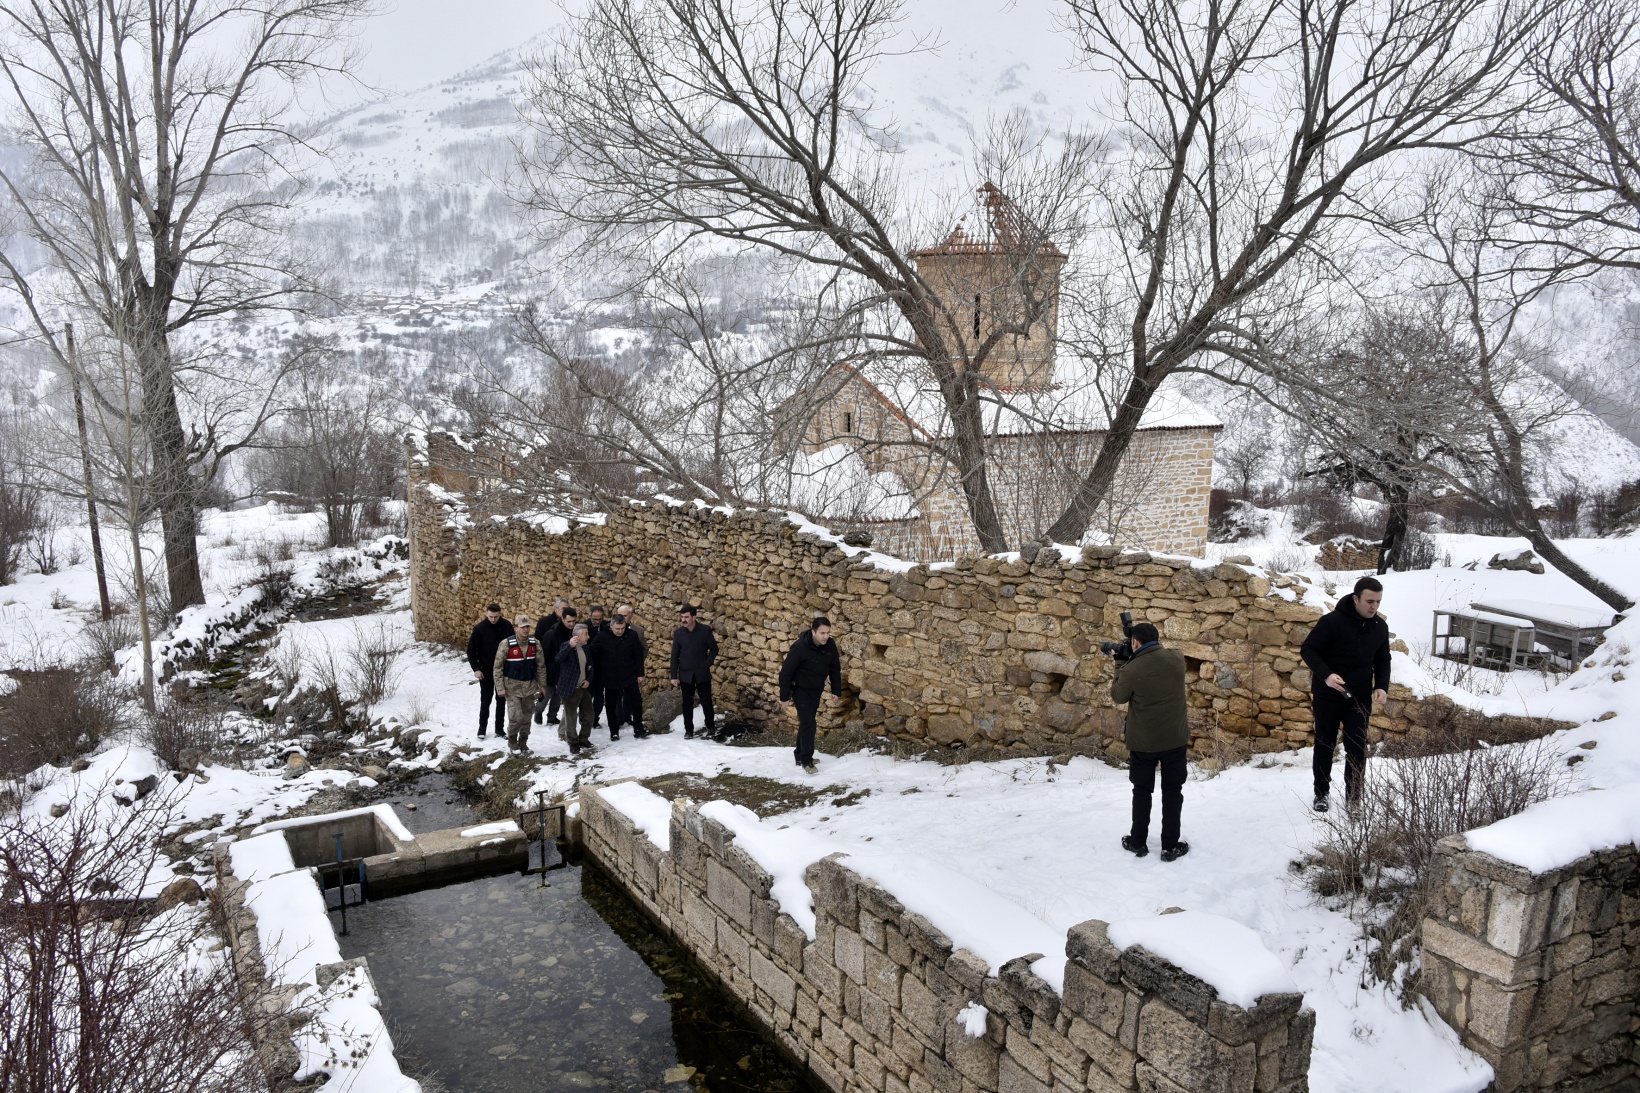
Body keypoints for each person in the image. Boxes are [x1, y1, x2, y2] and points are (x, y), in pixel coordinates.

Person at [1300, 575, 1390, 814]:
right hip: (1328, 696)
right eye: (1370, 601)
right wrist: (1326, 675)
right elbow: (1308, 649)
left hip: (1359, 699)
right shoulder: (1332, 622)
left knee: (1357, 750)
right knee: (1325, 745)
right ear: (1356, 599)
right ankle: (1321, 794)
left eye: (1378, 601)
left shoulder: (1380, 627)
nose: (1374, 606)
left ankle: (1354, 799)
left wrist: (1381, 685)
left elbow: (1383, 659)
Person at [1111, 622, 1191, 862]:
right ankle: (1170, 846)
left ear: (1135, 643)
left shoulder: (1132, 669)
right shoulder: (1177, 659)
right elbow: (1160, 653)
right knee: (1173, 791)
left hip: (1143, 742)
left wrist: (1119, 662)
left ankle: (1138, 843)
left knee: (1142, 791)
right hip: (1174, 739)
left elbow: (1118, 696)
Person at [779, 617, 843, 774]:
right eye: (822, 633)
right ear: (813, 632)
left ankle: (799, 755)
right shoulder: (800, 647)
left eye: (828, 633)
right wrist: (784, 696)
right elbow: (786, 672)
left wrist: (836, 690)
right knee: (809, 723)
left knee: (806, 723)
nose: (825, 636)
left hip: (816, 689)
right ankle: (806, 761)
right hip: (800, 690)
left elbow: (835, 668)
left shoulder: (830, 645)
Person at [492, 616, 545, 754]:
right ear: (516, 628)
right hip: (512, 687)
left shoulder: (535, 644)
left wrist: (542, 685)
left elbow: (541, 666)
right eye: (523, 627)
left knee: (527, 718)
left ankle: (523, 743)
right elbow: (497, 667)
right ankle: (512, 742)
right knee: (516, 717)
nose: (526, 629)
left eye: (527, 626)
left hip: (530, 687)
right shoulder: (506, 644)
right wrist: (500, 687)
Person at [669, 605, 718, 739]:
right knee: (687, 703)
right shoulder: (679, 633)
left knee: (706, 701)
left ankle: (711, 727)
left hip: (702, 672)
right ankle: (688, 730)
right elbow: (674, 655)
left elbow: (714, 649)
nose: (683, 619)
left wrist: (707, 664)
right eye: (682, 617)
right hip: (685, 673)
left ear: (694, 617)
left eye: (686, 617)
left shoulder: (705, 630)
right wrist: (674, 675)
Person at [599, 614, 649, 740]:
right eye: (617, 629)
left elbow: (638, 655)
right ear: (611, 626)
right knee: (611, 705)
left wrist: (640, 673)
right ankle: (614, 731)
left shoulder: (631, 635)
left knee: (636, 701)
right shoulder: (603, 636)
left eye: (622, 628)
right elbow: (593, 652)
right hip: (610, 677)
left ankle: (638, 728)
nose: (620, 631)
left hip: (629, 675)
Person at [466, 603, 512, 740]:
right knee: (485, 700)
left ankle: (499, 729)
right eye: (490, 616)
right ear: (486, 613)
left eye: (496, 617)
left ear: (500, 614)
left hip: (503, 671)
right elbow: (471, 650)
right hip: (485, 670)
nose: (493, 619)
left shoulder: (507, 626)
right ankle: (482, 729)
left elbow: (512, 646)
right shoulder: (480, 628)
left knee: (501, 700)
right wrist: (476, 669)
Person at [555, 622, 597, 754]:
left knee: (589, 714)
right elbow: (558, 659)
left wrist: (588, 680)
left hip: (583, 688)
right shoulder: (566, 646)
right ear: (578, 636)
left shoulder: (586, 649)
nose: (588, 637)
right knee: (571, 718)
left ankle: (584, 738)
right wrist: (569, 646)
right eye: (586, 634)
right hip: (570, 689)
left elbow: (590, 667)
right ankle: (572, 742)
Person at [539, 606, 577, 726]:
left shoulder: (574, 633)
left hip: (565, 670)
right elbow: (545, 655)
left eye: (573, 621)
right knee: (547, 695)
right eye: (568, 621)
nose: (571, 624)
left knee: (558, 696)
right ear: (562, 619)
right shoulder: (552, 634)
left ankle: (552, 717)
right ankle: (538, 711)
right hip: (552, 669)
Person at [586, 606, 611, 728]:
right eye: (595, 619)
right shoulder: (584, 627)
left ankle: (595, 718)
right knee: (587, 695)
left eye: (600, 619)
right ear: (590, 616)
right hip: (588, 667)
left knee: (599, 696)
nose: (597, 622)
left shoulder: (606, 627)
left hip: (602, 667)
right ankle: (585, 717)